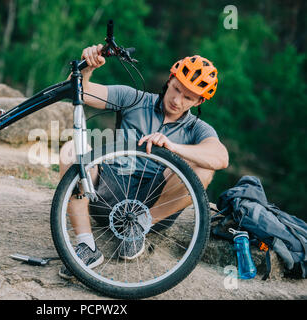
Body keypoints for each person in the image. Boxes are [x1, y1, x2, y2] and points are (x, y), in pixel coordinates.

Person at [58, 44, 229, 279]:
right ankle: (87, 246)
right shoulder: (134, 98)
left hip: (152, 205)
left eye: (188, 97)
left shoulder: (197, 128)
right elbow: (80, 91)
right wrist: (87, 66)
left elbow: (221, 158)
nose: (178, 100)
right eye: (176, 89)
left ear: (198, 102)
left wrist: (173, 148)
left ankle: (137, 227)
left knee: (203, 171)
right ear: (170, 80)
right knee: (71, 150)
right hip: (109, 190)